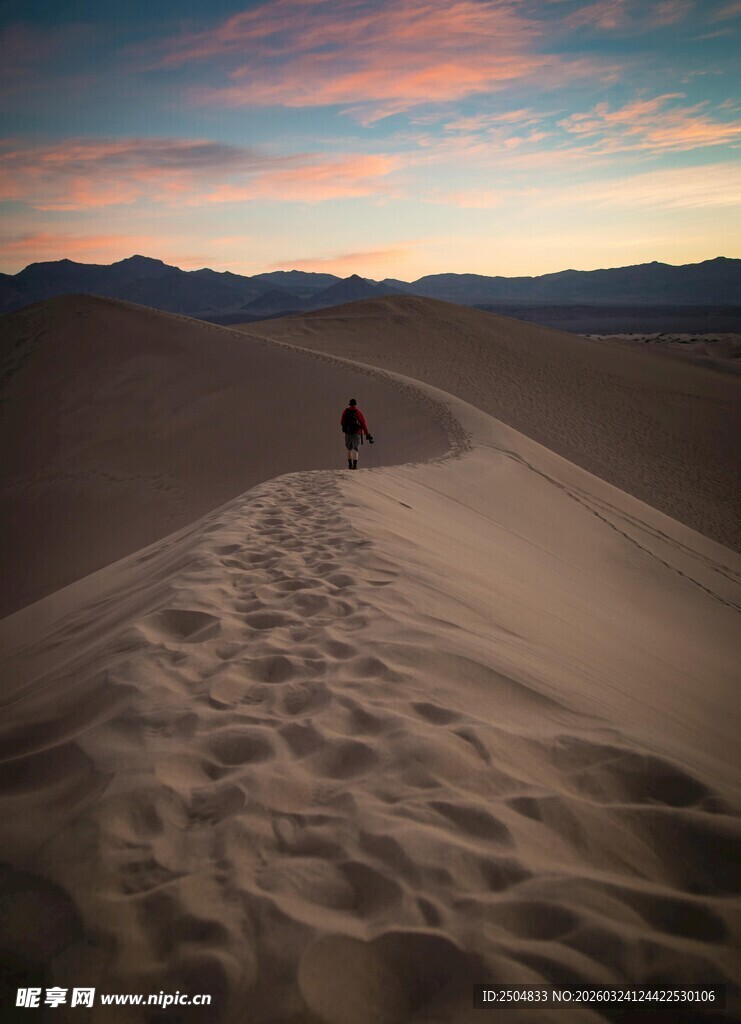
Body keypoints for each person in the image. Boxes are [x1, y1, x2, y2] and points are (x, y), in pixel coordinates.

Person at [340, 398, 373, 469]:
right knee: (355, 449)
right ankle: (355, 465)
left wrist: (346, 428)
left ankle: (349, 464)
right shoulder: (358, 412)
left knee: (349, 449)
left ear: (349, 404)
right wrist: (366, 433)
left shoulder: (345, 412)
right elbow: (363, 423)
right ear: (355, 404)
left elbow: (342, 422)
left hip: (348, 432)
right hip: (356, 432)